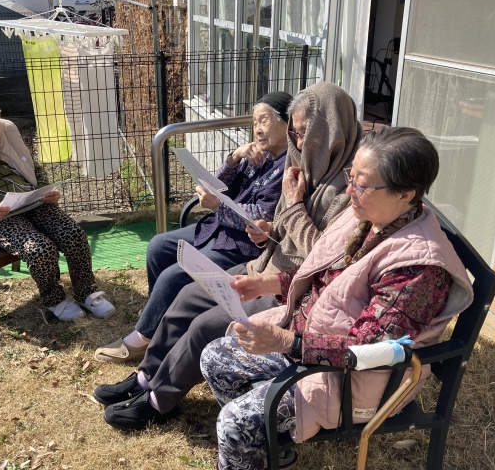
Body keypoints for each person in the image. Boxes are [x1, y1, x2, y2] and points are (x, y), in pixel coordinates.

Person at [199, 126, 474, 470]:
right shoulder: (369, 216)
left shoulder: (418, 268)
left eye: (363, 184)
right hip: (309, 344)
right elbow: (328, 275)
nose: (350, 190)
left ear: (405, 194)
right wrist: (266, 284)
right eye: (350, 176)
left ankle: (254, 433)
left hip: (352, 379)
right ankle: (266, 444)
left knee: (234, 422)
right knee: (215, 358)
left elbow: (368, 350)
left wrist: (284, 341)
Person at [94, 82, 362, 430]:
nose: (297, 142)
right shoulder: (304, 166)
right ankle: (146, 376)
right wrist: (269, 228)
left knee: (204, 325)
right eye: (294, 134)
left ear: (329, 130)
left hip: (292, 289)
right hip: (261, 265)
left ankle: (160, 399)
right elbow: (278, 222)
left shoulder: (352, 190)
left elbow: (326, 259)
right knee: (187, 296)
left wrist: (294, 207)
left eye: (303, 133)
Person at [93, 92, 293, 363]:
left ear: (286, 122)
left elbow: (262, 217)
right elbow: (220, 185)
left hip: (243, 243)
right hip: (218, 227)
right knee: (158, 246)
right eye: (254, 122)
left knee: (174, 275)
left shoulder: (289, 166)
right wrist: (235, 157)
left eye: (264, 120)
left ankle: (142, 340)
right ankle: (159, 319)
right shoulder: (257, 154)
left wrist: (217, 205)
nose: (257, 128)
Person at [0, 85, 114, 322]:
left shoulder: (8, 131)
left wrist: (46, 190)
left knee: (73, 234)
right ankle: (55, 299)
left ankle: (86, 291)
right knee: (39, 249)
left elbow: (34, 169)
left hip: (30, 203)